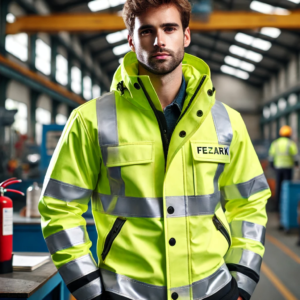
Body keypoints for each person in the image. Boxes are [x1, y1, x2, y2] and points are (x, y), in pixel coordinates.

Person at [38, 1, 271, 300]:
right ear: (131, 39)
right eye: (147, 30)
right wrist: (90, 291)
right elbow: (59, 208)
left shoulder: (227, 122)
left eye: (169, 28)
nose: (159, 41)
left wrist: (243, 278)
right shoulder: (90, 120)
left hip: (214, 289)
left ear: (186, 35)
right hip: (125, 293)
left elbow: (250, 203)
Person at [268, 125, 298, 225]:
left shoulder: (275, 144)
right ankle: (287, 208)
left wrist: (273, 166)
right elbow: (296, 157)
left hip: (278, 169)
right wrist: (296, 164)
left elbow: (271, 158)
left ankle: (278, 208)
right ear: (289, 134)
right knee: (287, 190)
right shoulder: (291, 144)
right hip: (288, 170)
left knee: (278, 189)